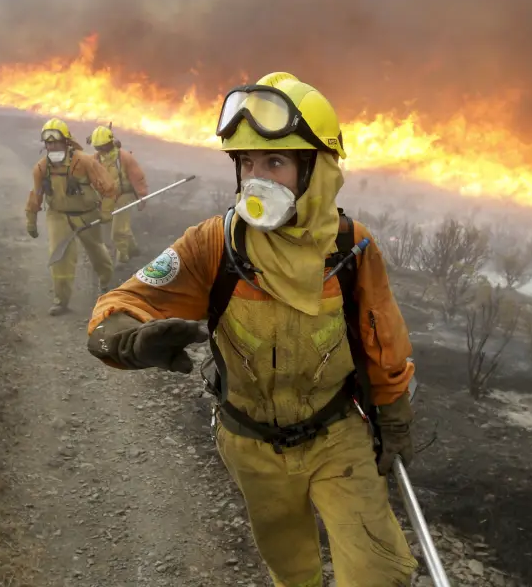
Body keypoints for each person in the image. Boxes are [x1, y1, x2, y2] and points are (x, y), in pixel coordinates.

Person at [84, 73, 419, 586]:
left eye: (275, 162)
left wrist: (393, 415)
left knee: (378, 573)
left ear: (316, 169)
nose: (255, 179)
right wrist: (127, 340)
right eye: (246, 162)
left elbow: (382, 338)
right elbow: (123, 303)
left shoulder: (353, 249)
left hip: (337, 436)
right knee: (292, 571)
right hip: (252, 445)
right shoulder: (214, 245)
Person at [26, 117, 119, 316]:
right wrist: (31, 219)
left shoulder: (84, 162)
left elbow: (108, 187)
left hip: (87, 215)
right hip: (58, 216)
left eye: (56, 142)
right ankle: (61, 300)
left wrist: (106, 210)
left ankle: (106, 284)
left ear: (66, 141)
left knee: (97, 252)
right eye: (48, 143)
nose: (51, 146)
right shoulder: (41, 168)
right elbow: (36, 194)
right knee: (59, 257)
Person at [89, 124, 150, 264]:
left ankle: (122, 258)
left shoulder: (124, 158)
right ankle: (133, 249)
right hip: (108, 197)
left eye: (103, 147)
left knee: (118, 231)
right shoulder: (94, 160)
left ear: (110, 144)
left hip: (125, 195)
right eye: (98, 148)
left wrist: (142, 195)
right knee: (119, 224)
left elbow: (137, 177)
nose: (101, 151)